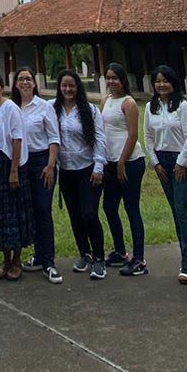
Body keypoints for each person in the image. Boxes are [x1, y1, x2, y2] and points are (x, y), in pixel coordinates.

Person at [144, 64, 187, 284]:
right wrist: (155, 163)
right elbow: (148, 137)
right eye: (157, 81)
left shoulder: (183, 107)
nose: (161, 85)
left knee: (183, 211)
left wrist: (182, 162)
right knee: (176, 212)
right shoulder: (151, 107)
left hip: (181, 162)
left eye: (165, 80)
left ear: (173, 83)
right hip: (162, 162)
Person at [53, 70, 107, 279]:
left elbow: (100, 138)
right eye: (64, 86)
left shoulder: (90, 110)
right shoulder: (53, 109)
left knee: (89, 214)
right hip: (66, 170)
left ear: (78, 88)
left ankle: (99, 258)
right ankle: (84, 253)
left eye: (72, 86)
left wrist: (99, 166)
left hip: (88, 168)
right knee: (75, 215)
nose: (67, 89)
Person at [11, 67, 62, 283]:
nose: (24, 82)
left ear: (34, 83)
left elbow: (54, 137)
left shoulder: (44, 106)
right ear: (15, 84)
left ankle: (49, 262)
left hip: (42, 161)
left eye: (28, 79)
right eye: (21, 79)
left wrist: (50, 165)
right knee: (29, 211)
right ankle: (39, 255)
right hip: (20, 163)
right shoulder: (11, 108)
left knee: (43, 210)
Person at [0, 71, 31, 279]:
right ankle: (6, 259)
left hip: (9, 163)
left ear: (2, 87)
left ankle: (17, 260)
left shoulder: (10, 108)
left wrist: (14, 170)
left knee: (13, 212)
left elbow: (17, 139)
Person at [99, 62, 147, 276]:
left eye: (115, 78)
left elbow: (133, 134)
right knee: (109, 207)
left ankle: (139, 258)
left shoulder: (128, 103)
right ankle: (120, 251)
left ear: (122, 80)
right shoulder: (106, 100)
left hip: (130, 162)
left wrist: (121, 161)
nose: (111, 81)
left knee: (131, 208)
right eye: (108, 77)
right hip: (110, 162)